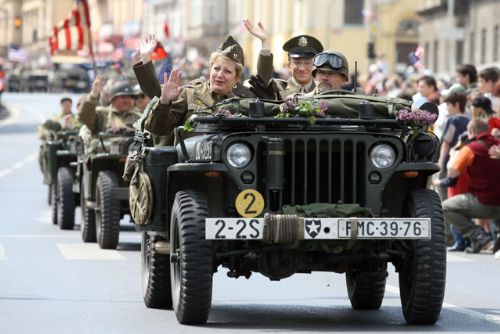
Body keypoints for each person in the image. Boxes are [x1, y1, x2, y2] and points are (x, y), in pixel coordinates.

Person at [143, 37, 246, 138]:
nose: (219, 75)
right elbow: (158, 129)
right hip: (188, 154)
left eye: (227, 71)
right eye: (216, 68)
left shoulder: (240, 104)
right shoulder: (189, 94)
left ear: (236, 78)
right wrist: (164, 102)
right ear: (210, 70)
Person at [442, 119, 500, 253]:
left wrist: (453, 154)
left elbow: (452, 172)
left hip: (483, 202)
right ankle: (496, 234)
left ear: (471, 132)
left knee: (445, 207)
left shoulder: (470, 148)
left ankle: (477, 235)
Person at [244, 19, 323, 98]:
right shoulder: (278, 89)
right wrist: (265, 43)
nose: (302, 68)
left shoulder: (322, 91)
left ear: (314, 66)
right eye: (297, 62)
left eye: (307, 63)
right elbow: (264, 79)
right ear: (289, 66)